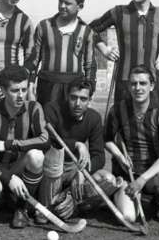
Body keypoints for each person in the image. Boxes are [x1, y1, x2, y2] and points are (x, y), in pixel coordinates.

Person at [0, 65, 49, 228]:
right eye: (15, 91)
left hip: (17, 167)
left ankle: (21, 208)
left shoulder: (34, 108)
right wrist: (8, 177)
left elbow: (44, 140)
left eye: (24, 89)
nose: (21, 95)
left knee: (36, 156)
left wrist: (9, 145)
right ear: (3, 90)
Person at [106, 65, 159, 224]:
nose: (138, 88)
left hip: (151, 175)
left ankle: (158, 202)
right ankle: (119, 194)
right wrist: (119, 157)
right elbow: (106, 139)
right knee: (128, 217)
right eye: (133, 84)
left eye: (143, 83)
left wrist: (142, 180)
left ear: (151, 86)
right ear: (129, 86)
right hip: (127, 174)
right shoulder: (118, 110)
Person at [40, 77, 118, 219]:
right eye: (73, 98)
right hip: (52, 168)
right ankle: (52, 205)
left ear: (90, 100)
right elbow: (48, 142)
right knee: (45, 215)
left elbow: (99, 157)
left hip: (75, 169)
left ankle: (71, 200)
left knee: (108, 180)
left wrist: (82, 172)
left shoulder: (94, 118)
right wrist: (77, 144)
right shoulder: (52, 109)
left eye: (83, 99)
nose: (77, 103)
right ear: (67, 96)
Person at [26, 0, 96, 106]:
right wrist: (30, 86)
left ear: (80, 6)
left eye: (67, 3)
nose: (62, 6)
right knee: (46, 117)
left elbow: (90, 65)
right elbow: (34, 60)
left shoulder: (86, 31)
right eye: (60, 1)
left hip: (74, 87)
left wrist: (90, 91)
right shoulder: (44, 26)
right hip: (47, 86)